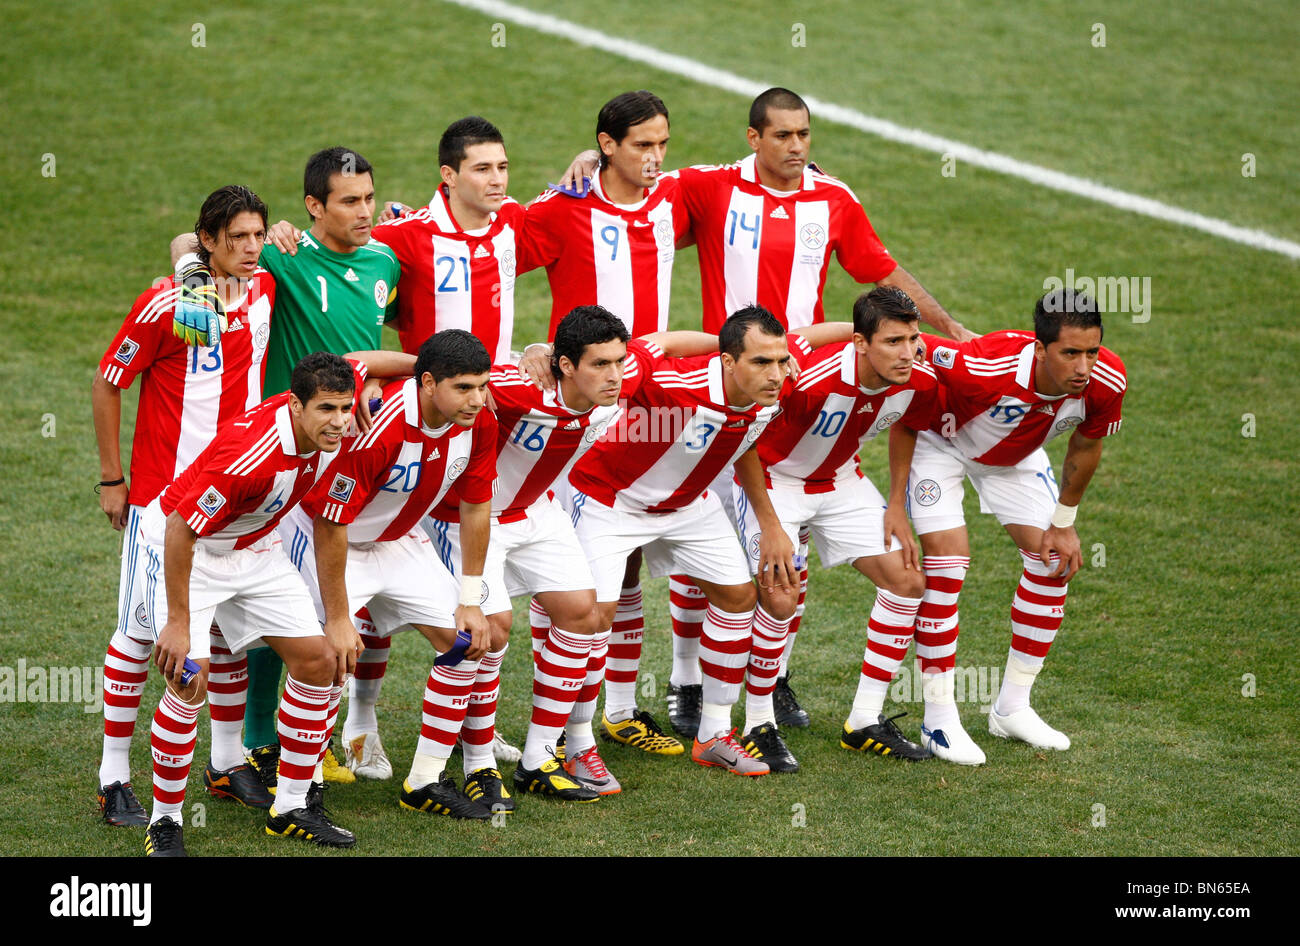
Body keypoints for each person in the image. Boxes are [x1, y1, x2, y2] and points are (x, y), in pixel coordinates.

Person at [169, 147, 402, 787]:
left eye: (369, 198)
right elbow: (190, 238)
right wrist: (193, 279)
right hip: (282, 459)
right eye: (349, 201)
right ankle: (257, 741)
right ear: (312, 207)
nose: (364, 211)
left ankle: (316, 734)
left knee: (318, 605)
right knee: (285, 606)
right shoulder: (283, 253)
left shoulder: (385, 258)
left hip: (350, 455)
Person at [564, 306, 832, 777]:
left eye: (781, 361)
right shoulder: (669, 384)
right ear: (728, 362)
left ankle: (713, 735)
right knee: (593, 618)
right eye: (761, 362)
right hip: (612, 500)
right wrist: (541, 353)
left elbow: (745, 439)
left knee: (738, 597)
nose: (776, 374)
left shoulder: (773, 383)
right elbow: (654, 344)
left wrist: (770, 524)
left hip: (690, 506)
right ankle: (577, 742)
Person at [94, 185, 277, 826]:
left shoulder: (262, 288)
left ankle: (226, 764)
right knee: (142, 637)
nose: (252, 250)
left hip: (233, 502)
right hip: (162, 503)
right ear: (208, 241)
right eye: (238, 239)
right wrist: (112, 479)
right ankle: (114, 775)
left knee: (228, 636)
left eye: (258, 236)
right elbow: (108, 379)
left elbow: (197, 248)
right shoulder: (173, 303)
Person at [137, 352, 362, 856]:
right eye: (327, 408)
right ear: (294, 404)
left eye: (346, 407)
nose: (341, 420)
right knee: (188, 680)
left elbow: (364, 361)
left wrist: (340, 618)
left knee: (320, 661)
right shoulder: (251, 454)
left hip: (256, 550)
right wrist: (178, 621)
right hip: (190, 550)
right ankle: (165, 824)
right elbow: (181, 527)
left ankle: (291, 809)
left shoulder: (334, 425)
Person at [284, 330, 500, 819]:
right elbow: (331, 523)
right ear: (427, 384)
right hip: (327, 537)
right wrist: (340, 617)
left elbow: (476, 505)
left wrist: (470, 597)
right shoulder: (378, 427)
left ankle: (424, 780)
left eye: (481, 386)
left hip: (399, 541)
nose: (477, 399)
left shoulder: (479, 420)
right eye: (463, 387)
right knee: (323, 659)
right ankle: (304, 787)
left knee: (467, 642)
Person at [909, 288, 1126, 763]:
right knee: (948, 570)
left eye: (1091, 350)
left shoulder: (1107, 380)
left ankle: (1011, 708)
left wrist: (1064, 522)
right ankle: (938, 719)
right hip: (940, 447)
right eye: (1070, 353)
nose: (1083, 367)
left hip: (1016, 458)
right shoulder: (982, 364)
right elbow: (907, 346)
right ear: (1039, 347)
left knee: (1054, 565)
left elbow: (1087, 445)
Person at [736, 287, 938, 772]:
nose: (907, 352)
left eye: (912, 339)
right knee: (781, 597)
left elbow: (908, 422)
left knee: (908, 581)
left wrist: (895, 503)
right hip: (773, 479)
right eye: (892, 341)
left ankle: (864, 720)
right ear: (860, 343)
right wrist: (769, 523)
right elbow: (742, 431)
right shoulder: (805, 379)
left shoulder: (918, 376)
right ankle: (758, 723)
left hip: (842, 480)